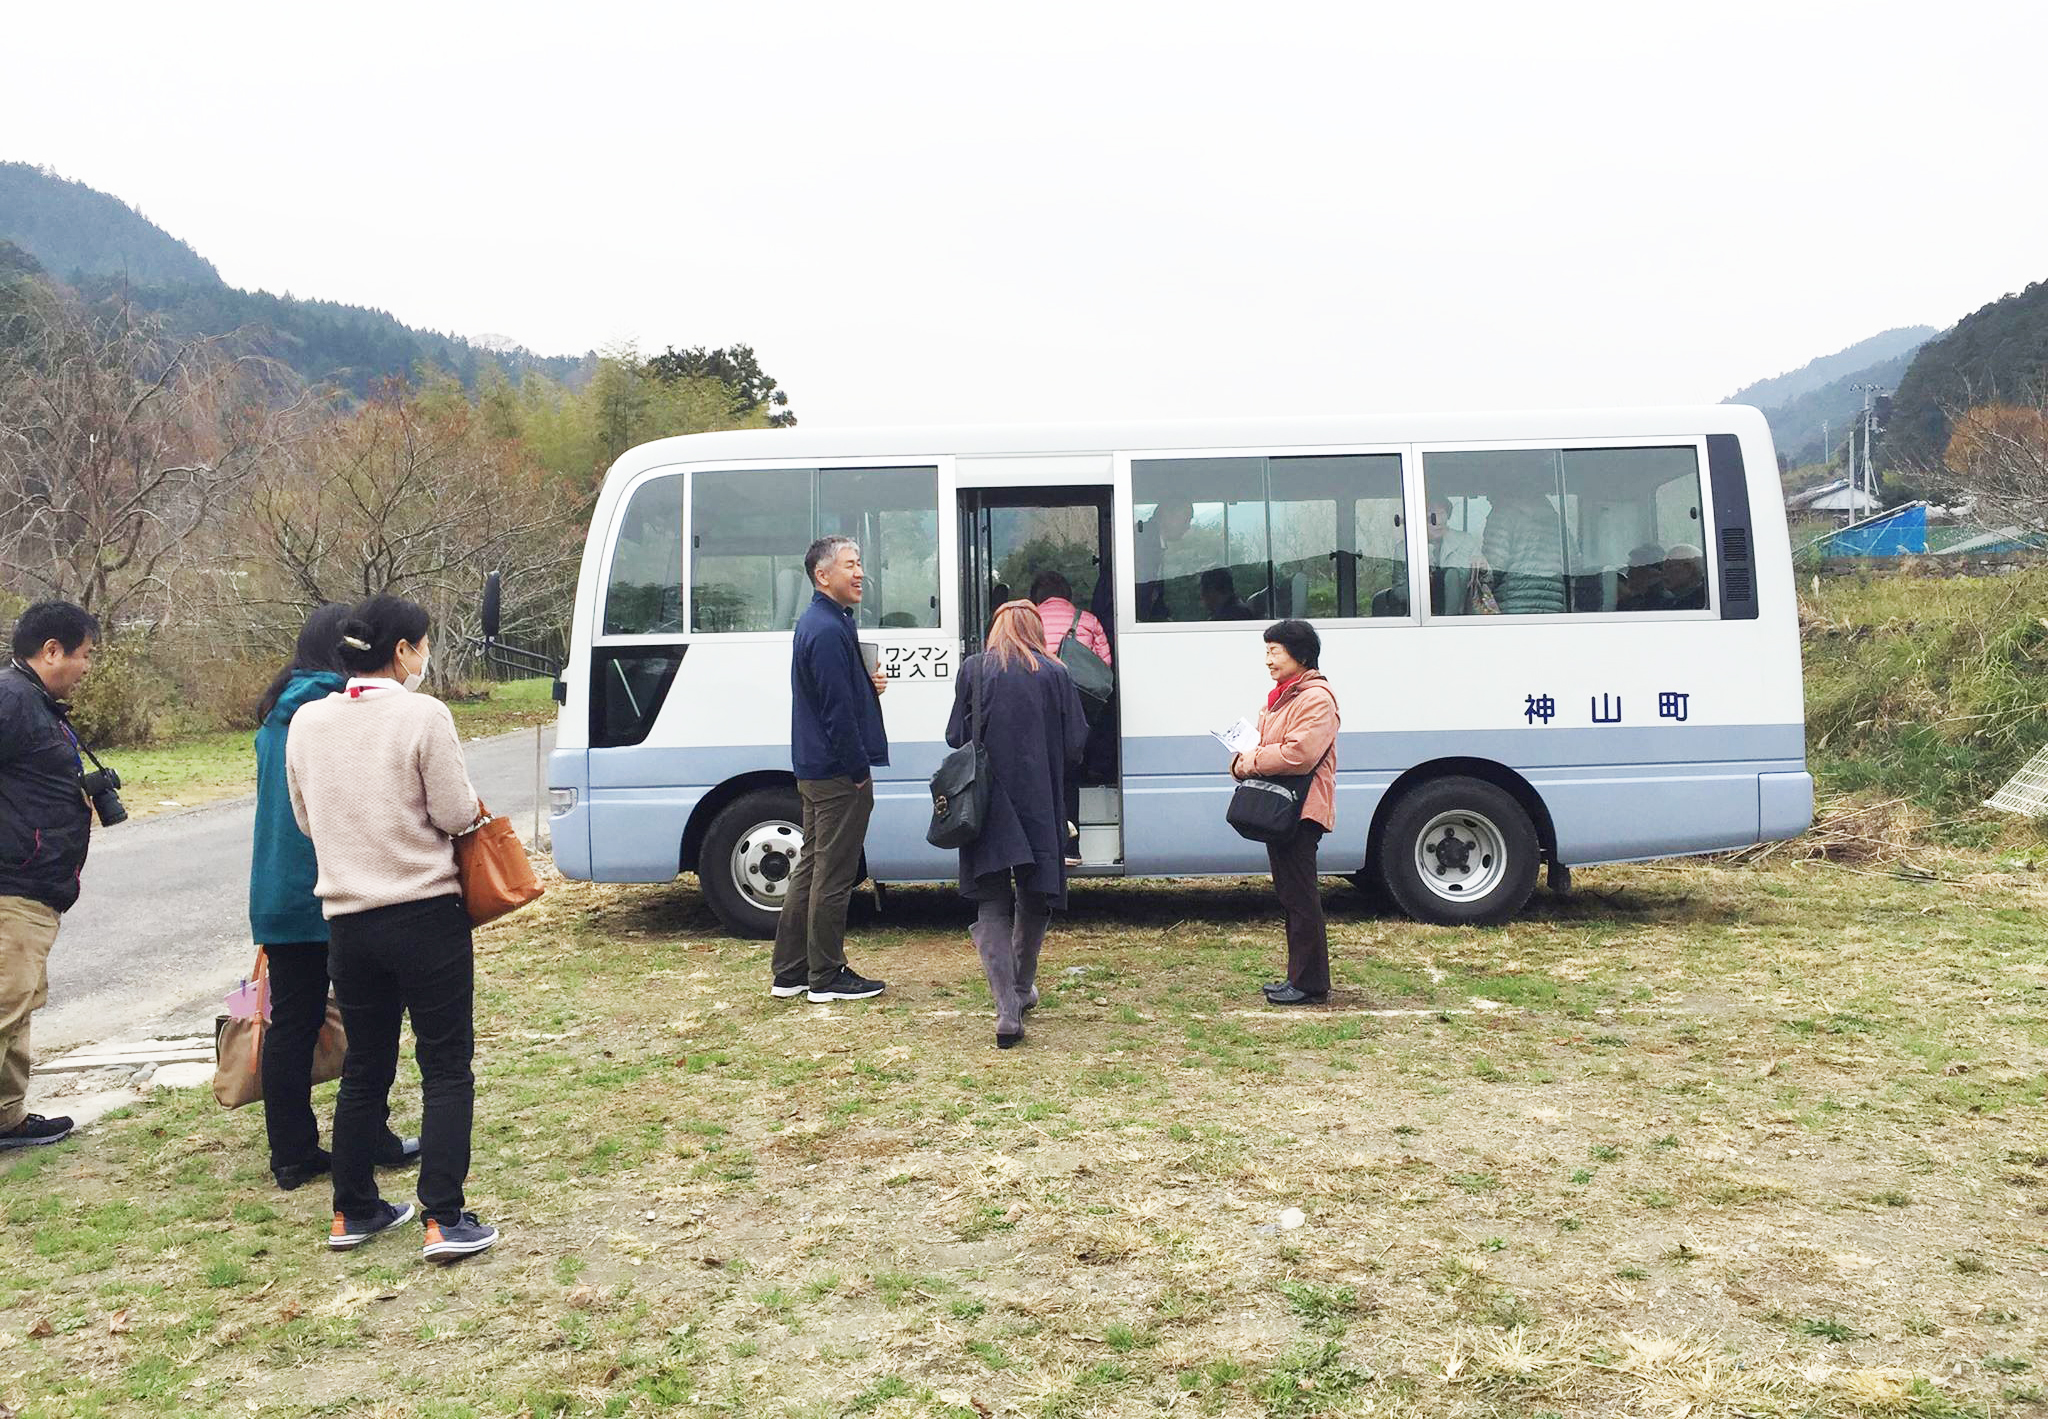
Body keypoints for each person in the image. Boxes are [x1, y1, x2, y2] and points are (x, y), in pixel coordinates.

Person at [285, 595, 497, 1262]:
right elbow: (458, 811)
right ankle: (443, 1216)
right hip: (424, 909)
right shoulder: (422, 714)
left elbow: (305, 819)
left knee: (365, 1066)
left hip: (348, 917)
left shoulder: (306, 721)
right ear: (403, 649)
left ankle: (354, 1207)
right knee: (444, 1064)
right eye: (422, 645)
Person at [250, 604, 418, 1191]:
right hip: (331, 882)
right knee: (369, 1020)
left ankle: (292, 1152)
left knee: (292, 1022)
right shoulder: (330, 711)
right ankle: (372, 1135)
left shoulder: (275, 712)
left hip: (274, 887)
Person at [945, 601, 1088, 1048]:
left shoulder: (975, 669)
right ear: (1036, 629)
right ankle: (1023, 989)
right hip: (1040, 802)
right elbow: (1075, 745)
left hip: (986, 805)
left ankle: (1006, 1009)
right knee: (1034, 895)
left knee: (991, 903)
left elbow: (955, 736)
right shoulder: (1056, 672)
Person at [770, 535, 891, 1005]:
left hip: (819, 767)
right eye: (850, 565)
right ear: (823, 576)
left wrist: (869, 683)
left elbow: (838, 692)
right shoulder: (825, 628)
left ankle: (791, 972)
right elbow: (836, 710)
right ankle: (826, 975)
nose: (859, 573)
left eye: (860, 563)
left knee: (813, 867)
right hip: (838, 772)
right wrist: (858, 768)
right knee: (834, 874)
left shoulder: (827, 622)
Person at [0, 602, 99, 1151]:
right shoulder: (12, 699)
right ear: (52, 650)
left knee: (18, 1004)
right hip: (10, 884)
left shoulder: (35, 703)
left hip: (36, 887)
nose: (87, 668)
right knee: (4, 1003)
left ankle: (7, 1119)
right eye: (84, 656)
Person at [1230, 619, 1339, 1007]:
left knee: (1301, 897)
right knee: (1291, 896)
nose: (1268, 660)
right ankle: (1300, 976)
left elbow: (1298, 754)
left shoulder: (1316, 699)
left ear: (1301, 654)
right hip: (1284, 810)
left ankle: (1310, 983)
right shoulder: (1282, 696)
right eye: (1267, 652)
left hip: (1302, 810)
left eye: (1274, 652)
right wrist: (1241, 759)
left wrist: (1251, 760)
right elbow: (1264, 746)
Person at [1480, 488, 1574, 615]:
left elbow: (1494, 567)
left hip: (1515, 605)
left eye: (1489, 492)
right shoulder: (1555, 518)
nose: (1487, 499)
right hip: (1553, 606)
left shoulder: (1502, 514)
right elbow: (1573, 564)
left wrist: (1476, 584)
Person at [1028, 570, 1111, 666]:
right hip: (1079, 679)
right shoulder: (1089, 620)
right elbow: (1104, 663)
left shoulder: (1028, 620)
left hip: (1042, 678)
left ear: (1036, 599)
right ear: (1068, 596)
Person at [1134, 498, 1193, 621]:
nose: (1188, 526)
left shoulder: (1153, 540)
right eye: (1186, 519)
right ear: (1167, 514)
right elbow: (1142, 590)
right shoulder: (1143, 542)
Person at [1426, 497, 1485, 615]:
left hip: (1460, 619)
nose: (1438, 521)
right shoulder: (1405, 550)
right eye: (1431, 516)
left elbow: (1487, 582)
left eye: (1442, 514)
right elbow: (1398, 592)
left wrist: (1484, 569)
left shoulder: (1466, 541)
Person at [1617, 543, 1667, 612]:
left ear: (1654, 574)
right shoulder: (1636, 600)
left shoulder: (1662, 604)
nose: (1628, 575)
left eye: (1635, 570)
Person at [1661, 544, 1707, 610]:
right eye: (1662, 567)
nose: (1663, 573)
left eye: (1668, 566)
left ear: (1688, 569)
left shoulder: (1701, 604)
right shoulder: (1666, 601)